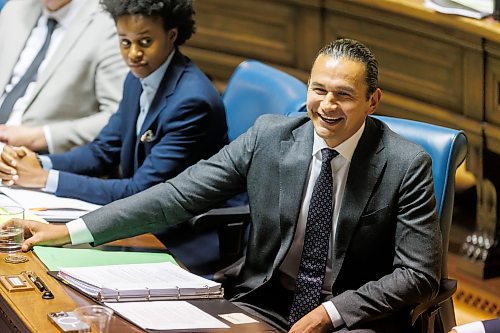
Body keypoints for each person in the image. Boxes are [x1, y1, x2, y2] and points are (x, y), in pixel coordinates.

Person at [11, 39, 441, 332]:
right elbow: (178, 195)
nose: (327, 106)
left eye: (343, 95)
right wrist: (71, 231)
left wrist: (331, 312)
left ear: (373, 100)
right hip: (264, 300)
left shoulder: (406, 164)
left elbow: (417, 273)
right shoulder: (270, 137)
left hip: (352, 319)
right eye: (318, 90)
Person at [0, 0, 227, 205]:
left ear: (172, 35)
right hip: (143, 212)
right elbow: (102, 152)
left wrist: (44, 178)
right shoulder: (138, 77)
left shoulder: (192, 102)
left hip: (183, 232)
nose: (133, 54)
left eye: (145, 41)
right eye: (125, 42)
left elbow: (141, 192)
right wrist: (39, 162)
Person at [0, 0, 128, 153]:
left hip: (40, 157)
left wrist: (43, 136)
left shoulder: (109, 23)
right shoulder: (15, 9)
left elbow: (117, 117)